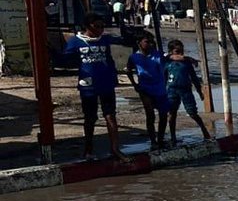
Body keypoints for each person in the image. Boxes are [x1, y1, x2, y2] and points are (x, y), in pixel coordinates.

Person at [60, 12, 127, 160]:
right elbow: (64, 59)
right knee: (90, 118)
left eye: (102, 26)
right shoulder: (75, 41)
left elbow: (123, 41)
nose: (100, 29)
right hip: (88, 86)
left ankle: (115, 149)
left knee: (110, 115)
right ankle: (88, 149)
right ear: (87, 26)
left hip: (106, 83)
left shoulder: (105, 39)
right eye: (97, 26)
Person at [125, 32, 169, 149]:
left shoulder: (158, 55)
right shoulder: (134, 57)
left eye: (151, 42)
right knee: (150, 115)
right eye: (146, 42)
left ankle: (160, 139)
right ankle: (153, 140)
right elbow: (128, 70)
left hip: (160, 88)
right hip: (145, 88)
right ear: (139, 43)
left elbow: (170, 58)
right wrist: (134, 84)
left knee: (163, 115)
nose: (149, 44)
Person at [163, 39, 212, 145]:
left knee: (192, 112)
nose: (180, 54)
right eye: (177, 52)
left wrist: (199, 91)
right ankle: (173, 137)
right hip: (172, 90)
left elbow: (194, 77)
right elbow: (163, 77)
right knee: (172, 114)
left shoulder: (186, 63)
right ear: (171, 52)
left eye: (182, 51)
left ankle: (204, 131)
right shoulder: (167, 62)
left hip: (186, 90)